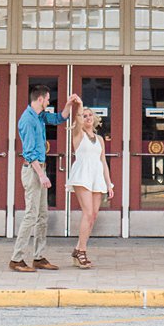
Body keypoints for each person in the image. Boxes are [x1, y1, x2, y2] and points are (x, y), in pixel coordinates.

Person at [9, 85, 78, 272]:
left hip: (39, 170)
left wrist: (69, 104)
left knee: (42, 216)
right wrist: (42, 175)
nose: (49, 102)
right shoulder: (28, 120)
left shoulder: (39, 116)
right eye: (48, 99)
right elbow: (29, 153)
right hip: (33, 171)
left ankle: (38, 257)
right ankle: (17, 259)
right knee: (31, 215)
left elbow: (59, 118)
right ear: (40, 99)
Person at [65, 97, 114, 268]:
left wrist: (109, 184)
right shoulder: (78, 135)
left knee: (93, 216)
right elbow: (77, 121)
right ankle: (83, 252)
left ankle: (78, 248)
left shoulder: (100, 139)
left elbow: (103, 162)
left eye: (90, 115)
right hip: (82, 176)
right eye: (84, 115)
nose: (87, 117)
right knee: (87, 213)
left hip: (96, 177)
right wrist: (78, 105)